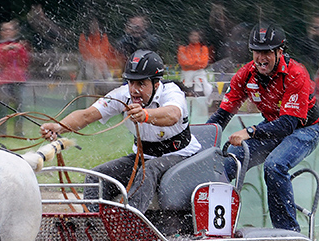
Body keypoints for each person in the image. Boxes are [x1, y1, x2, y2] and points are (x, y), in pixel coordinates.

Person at [39, 49, 201, 213]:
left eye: (141, 84)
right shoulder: (122, 95)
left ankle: (129, 221)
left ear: (156, 84)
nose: (134, 89)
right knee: (96, 176)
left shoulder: (171, 91)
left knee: (149, 170)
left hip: (181, 157)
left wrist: (145, 115)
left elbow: (173, 115)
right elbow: (87, 116)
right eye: (131, 82)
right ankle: (91, 224)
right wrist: (59, 126)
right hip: (143, 158)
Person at [202, 25, 319, 233]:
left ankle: (288, 234)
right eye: (257, 52)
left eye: (267, 52)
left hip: (304, 129)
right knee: (227, 161)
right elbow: (222, 115)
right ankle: (212, 229)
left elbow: (287, 124)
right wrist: (201, 143)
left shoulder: (296, 73)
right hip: (271, 128)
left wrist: (249, 131)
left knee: (274, 165)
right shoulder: (245, 74)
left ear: (279, 52)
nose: (261, 58)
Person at [0, 19, 30, 137]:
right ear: (1, 32)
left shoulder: (20, 46)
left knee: (20, 106)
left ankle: (19, 132)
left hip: (19, 79)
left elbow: (25, 63)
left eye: (10, 29)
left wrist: (20, 50)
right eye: (4, 30)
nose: (7, 32)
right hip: (3, 80)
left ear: (14, 32)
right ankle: (1, 133)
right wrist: (5, 51)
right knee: (3, 106)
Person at [177, 29, 212, 102]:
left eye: (196, 35)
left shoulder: (203, 49)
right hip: (186, 74)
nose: (194, 37)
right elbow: (182, 62)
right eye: (192, 35)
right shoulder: (183, 48)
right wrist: (196, 61)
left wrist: (190, 62)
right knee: (186, 90)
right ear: (189, 36)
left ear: (199, 37)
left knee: (203, 89)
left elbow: (203, 64)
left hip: (200, 74)